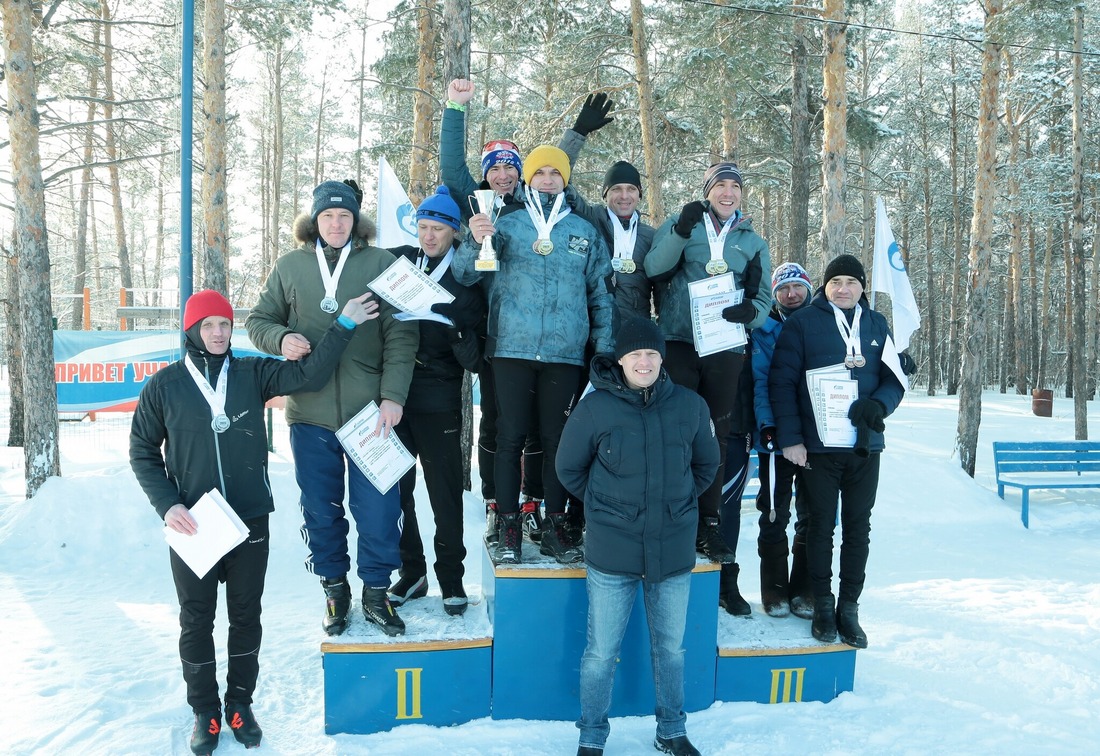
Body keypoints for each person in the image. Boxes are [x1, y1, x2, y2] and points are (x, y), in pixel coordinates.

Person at [130, 288, 377, 755]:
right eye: (208, 326)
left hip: (248, 521)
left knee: (246, 616)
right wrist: (168, 505)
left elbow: (309, 372)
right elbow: (142, 452)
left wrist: (343, 324)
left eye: (225, 323)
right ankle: (205, 710)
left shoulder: (252, 373)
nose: (219, 333)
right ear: (191, 331)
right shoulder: (164, 387)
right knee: (197, 619)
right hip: (195, 526)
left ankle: (240, 702)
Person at [246, 180, 420, 638]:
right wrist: (280, 339)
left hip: (371, 415)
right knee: (321, 510)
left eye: (344, 216)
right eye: (327, 216)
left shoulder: (382, 264)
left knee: (379, 510)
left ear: (356, 221)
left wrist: (393, 396)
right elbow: (258, 321)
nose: (336, 224)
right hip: (310, 414)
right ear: (314, 221)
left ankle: (377, 592)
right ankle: (335, 589)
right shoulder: (289, 267)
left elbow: (403, 335)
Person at [440, 79, 611, 544]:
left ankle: (552, 518)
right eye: (537, 174)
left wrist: (576, 132)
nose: (545, 179)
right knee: (505, 433)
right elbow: (464, 270)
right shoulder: (496, 217)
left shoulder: (579, 225)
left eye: (552, 173)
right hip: (506, 342)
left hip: (563, 349)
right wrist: (455, 108)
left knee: (553, 438)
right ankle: (507, 517)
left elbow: (600, 291)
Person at [557, 316, 718, 756]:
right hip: (612, 550)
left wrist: (677, 503)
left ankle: (671, 730)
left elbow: (706, 466)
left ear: (661, 357)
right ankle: (591, 737)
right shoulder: (595, 408)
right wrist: (607, 506)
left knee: (671, 651)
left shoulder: (690, 406)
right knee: (600, 653)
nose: (643, 361)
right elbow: (568, 469)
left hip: (672, 548)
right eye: (635, 354)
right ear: (620, 360)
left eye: (650, 353)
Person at [644, 162, 772, 601]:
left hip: (725, 345)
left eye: (735, 186)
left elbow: (764, 295)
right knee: (676, 430)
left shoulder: (752, 241)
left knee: (716, 433)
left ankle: (709, 523)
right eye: (721, 185)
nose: (728, 192)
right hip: (679, 339)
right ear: (708, 191)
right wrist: (679, 231)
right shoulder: (684, 225)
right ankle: (670, 519)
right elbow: (653, 268)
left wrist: (749, 315)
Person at [768, 254, 906, 648]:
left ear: (862, 287)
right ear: (824, 287)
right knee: (820, 528)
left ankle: (850, 608)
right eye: (835, 282)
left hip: (864, 447)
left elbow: (894, 380)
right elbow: (782, 384)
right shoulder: (803, 324)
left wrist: (879, 404)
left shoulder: (877, 325)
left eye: (851, 281)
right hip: (819, 448)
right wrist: (792, 439)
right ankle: (823, 607)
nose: (843, 289)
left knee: (858, 530)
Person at [384, 186, 487, 616]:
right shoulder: (401, 261)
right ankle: (413, 571)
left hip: (441, 394)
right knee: (397, 491)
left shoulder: (466, 279)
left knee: (443, 493)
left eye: (438, 229)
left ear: (454, 232)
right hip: (394, 394)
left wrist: (454, 327)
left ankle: (451, 578)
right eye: (424, 227)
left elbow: (476, 358)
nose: (429, 236)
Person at [751, 262, 815, 619]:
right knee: (773, 512)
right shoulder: (765, 330)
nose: (791, 294)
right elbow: (761, 382)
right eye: (783, 289)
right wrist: (768, 426)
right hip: (774, 438)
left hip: (817, 439)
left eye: (797, 287)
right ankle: (774, 590)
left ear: (808, 288)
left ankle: (805, 590)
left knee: (814, 515)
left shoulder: (823, 323)